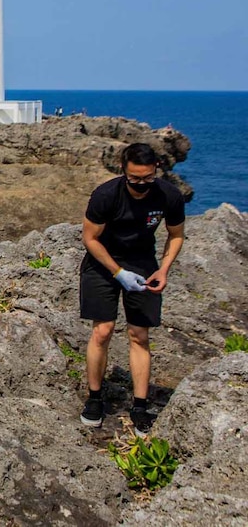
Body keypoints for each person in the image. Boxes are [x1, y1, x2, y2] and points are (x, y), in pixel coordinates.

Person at [79, 143, 185, 436]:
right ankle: (95, 398)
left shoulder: (169, 195)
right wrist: (118, 272)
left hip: (143, 262)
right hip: (102, 263)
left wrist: (162, 270)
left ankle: (140, 405)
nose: (141, 185)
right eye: (134, 179)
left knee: (139, 334)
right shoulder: (106, 195)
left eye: (147, 178)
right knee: (102, 330)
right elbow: (90, 238)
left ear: (156, 171)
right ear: (123, 171)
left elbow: (176, 235)